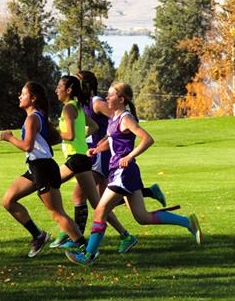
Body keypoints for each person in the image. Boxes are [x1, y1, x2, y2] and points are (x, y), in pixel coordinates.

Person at [65, 83, 202, 267]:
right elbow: (112, 141)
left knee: (100, 210)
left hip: (124, 172)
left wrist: (130, 156)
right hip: (119, 172)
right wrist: (97, 150)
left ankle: (89, 255)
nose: (107, 98)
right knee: (142, 217)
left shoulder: (126, 117)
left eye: (111, 95)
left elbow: (148, 139)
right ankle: (188, 222)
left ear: (121, 99)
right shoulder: (114, 118)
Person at [51, 71, 167, 253]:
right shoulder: (82, 104)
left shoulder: (96, 102)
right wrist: (95, 143)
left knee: (91, 200)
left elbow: (116, 118)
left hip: (104, 158)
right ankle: (141, 204)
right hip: (99, 154)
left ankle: (77, 238)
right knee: (100, 202)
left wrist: (114, 138)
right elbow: (104, 126)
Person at [0, 81, 87, 257]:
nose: (19, 96)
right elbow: (53, 139)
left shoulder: (33, 118)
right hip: (36, 167)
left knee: (57, 213)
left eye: (23, 94)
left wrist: (9, 137)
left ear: (33, 98)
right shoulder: (38, 117)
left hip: (43, 168)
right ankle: (38, 236)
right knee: (8, 200)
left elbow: (27, 146)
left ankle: (85, 249)